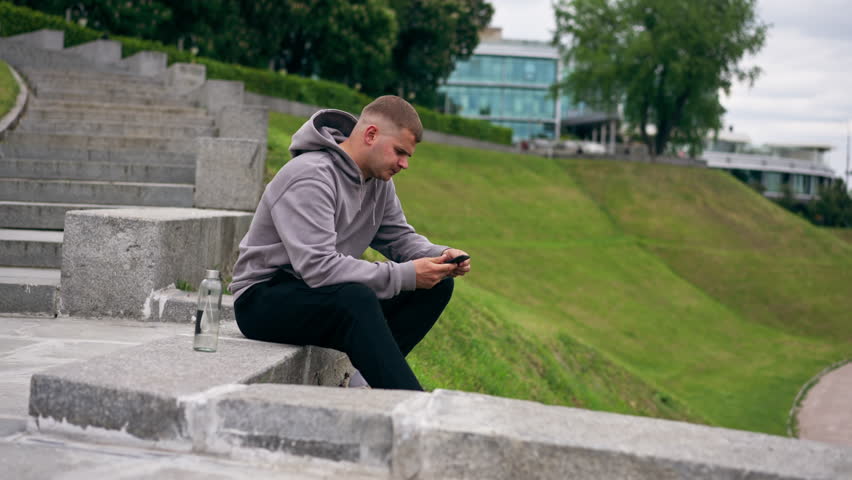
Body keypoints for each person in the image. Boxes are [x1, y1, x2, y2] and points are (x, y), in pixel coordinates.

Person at [230, 95, 471, 391]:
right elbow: (318, 267)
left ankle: (367, 383)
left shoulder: (379, 183)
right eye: (399, 152)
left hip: (318, 294)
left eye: (408, 156)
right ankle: (411, 402)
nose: (404, 164)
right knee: (356, 299)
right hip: (262, 300)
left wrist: (442, 256)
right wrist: (406, 274)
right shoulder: (310, 175)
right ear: (371, 135)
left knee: (437, 286)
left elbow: (399, 237)